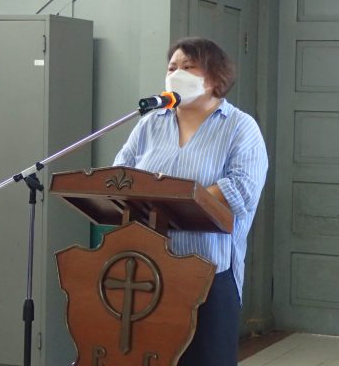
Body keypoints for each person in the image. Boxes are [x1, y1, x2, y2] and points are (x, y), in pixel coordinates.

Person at [113, 37, 268, 366]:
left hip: (208, 272)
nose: (176, 74)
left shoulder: (240, 127)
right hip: (147, 269)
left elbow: (241, 189)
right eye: (172, 67)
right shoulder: (150, 123)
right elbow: (120, 175)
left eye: (188, 66)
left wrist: (175, 200)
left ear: (214, 77)